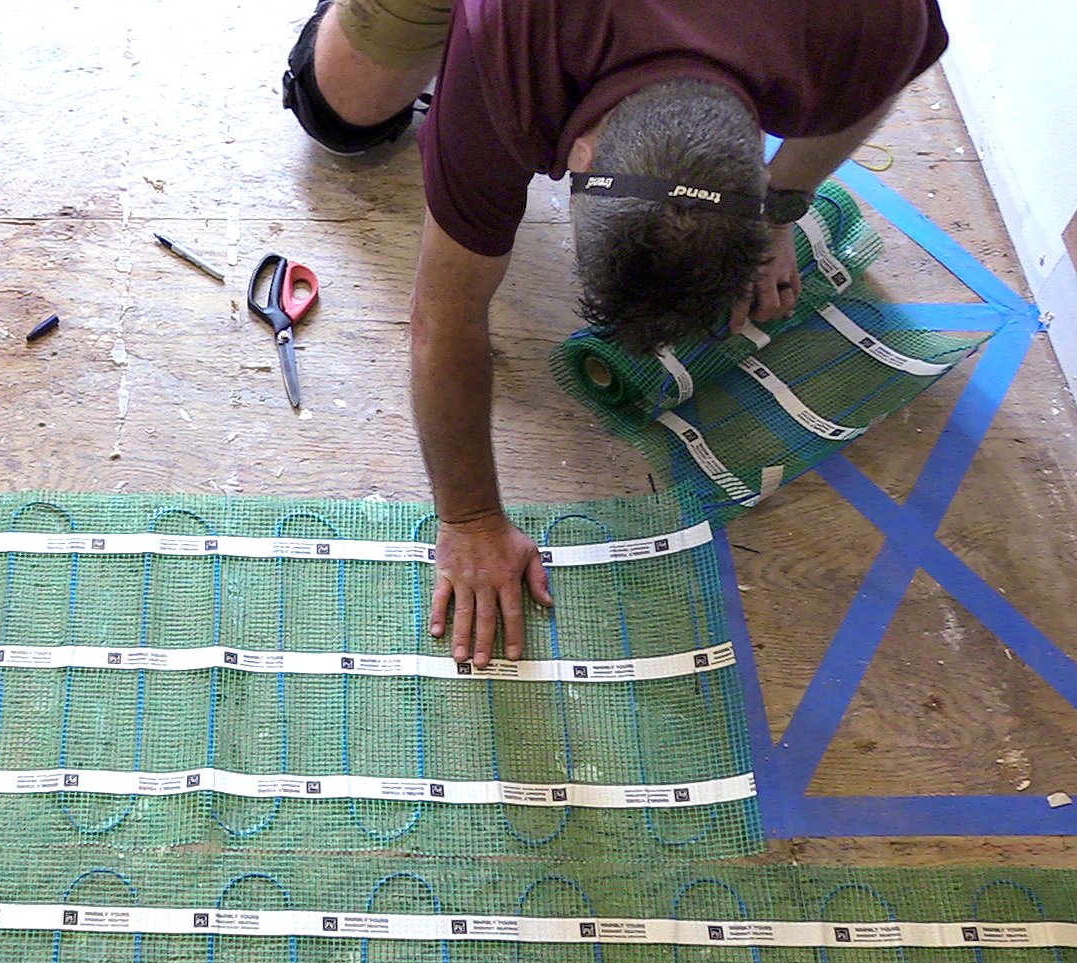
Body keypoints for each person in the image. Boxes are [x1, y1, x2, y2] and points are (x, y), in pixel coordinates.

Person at [283, 0, 949, 668]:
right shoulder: (507, 51)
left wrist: (779, 207)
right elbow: (445, 315)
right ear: (576, 152)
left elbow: (879, 80)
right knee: (339, 115)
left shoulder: (870, 21)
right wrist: (468, 518)